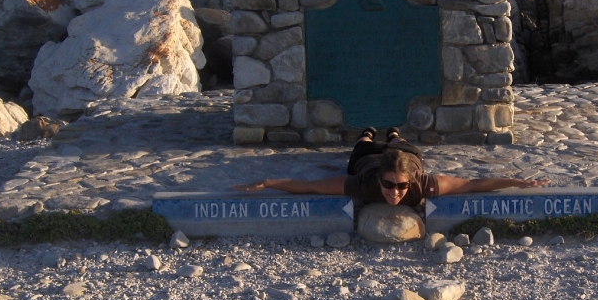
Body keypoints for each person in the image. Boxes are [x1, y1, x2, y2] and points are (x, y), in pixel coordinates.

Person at [233, 127, 548, 205]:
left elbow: (472, 184)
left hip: (405, 152)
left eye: (401, 186)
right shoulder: (364, 183)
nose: (395, 193)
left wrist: (519, 183)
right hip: (367, 160)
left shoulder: (423, 183)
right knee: (363, 145)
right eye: (390, 185)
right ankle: (369, 133)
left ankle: (394, 134)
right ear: (379, 181)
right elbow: (310, 186)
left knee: (400, 142)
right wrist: (267, 183)